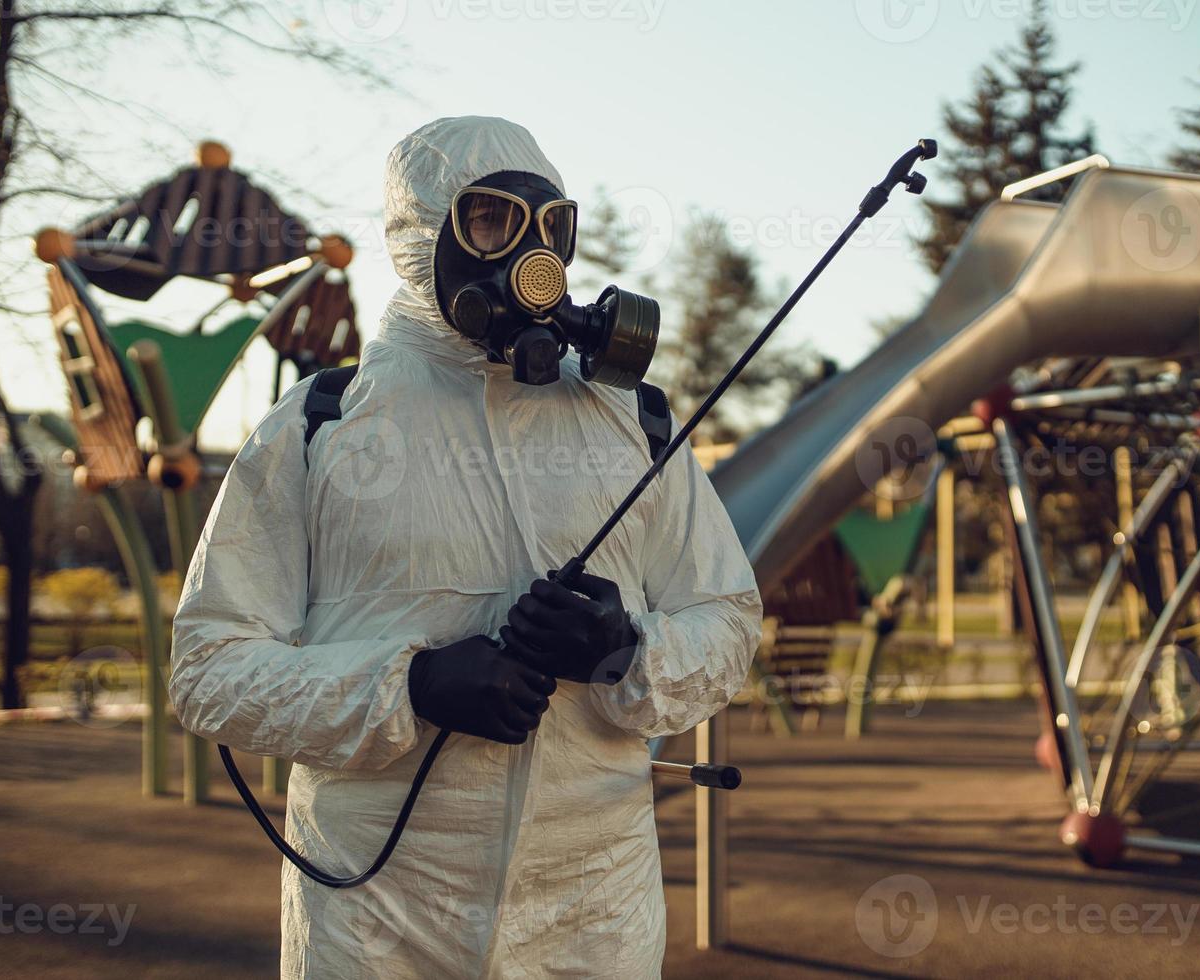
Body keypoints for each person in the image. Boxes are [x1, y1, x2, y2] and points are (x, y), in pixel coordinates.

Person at [170, 116, 763, 978]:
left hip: (595, 917)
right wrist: (407, 686)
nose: (533, 259)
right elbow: (208, 672)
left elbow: (730, 621)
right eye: (491, 222)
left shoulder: (632, 423)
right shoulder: (319, 426)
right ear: (422, 240)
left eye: (552, 227)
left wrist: (627, 649)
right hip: (377, 923)